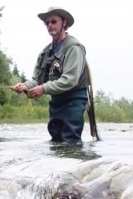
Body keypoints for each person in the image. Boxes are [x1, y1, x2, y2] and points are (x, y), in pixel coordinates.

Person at [12, 6, 89, 144]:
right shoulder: (45, 53)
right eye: (47, 23)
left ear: (64, 23)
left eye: (53, 21)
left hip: (74, 101)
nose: (49, 25)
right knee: (56, 141)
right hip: (56, 103)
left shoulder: (74, 48)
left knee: (70, 141)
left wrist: (43, 89)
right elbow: (36, 80)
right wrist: (24, 86)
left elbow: (70, 80)